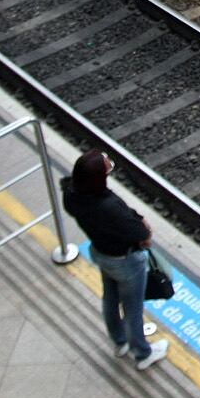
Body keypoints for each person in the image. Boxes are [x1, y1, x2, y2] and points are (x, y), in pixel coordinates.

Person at [61, 151, 170, 371]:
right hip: (126, 262)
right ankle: (142, 353)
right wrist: (144, 229)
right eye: (106, 165)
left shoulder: (71, 194)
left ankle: (120, 342)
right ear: (98, 177)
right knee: (133, 308)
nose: (110, 165)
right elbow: (140, 234)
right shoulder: (108, 206)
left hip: (101, 253)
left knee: (110, 298)